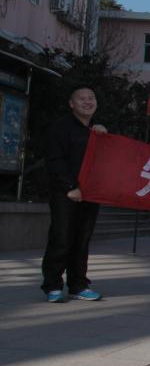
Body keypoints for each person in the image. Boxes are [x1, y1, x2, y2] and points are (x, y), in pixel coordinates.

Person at [41, 86, 108, 302]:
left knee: (82, 241)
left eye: (91, 98)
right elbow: (55, 160)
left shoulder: (97, 131)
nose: (88, 101)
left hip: (90, 193)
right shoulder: (60, 128)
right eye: (82, 98)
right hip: (65, 193)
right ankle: (52, 285)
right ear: (72, 104)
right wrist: (70, 186)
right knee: (61, 238)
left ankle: (78, 285)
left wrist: (104, 136)